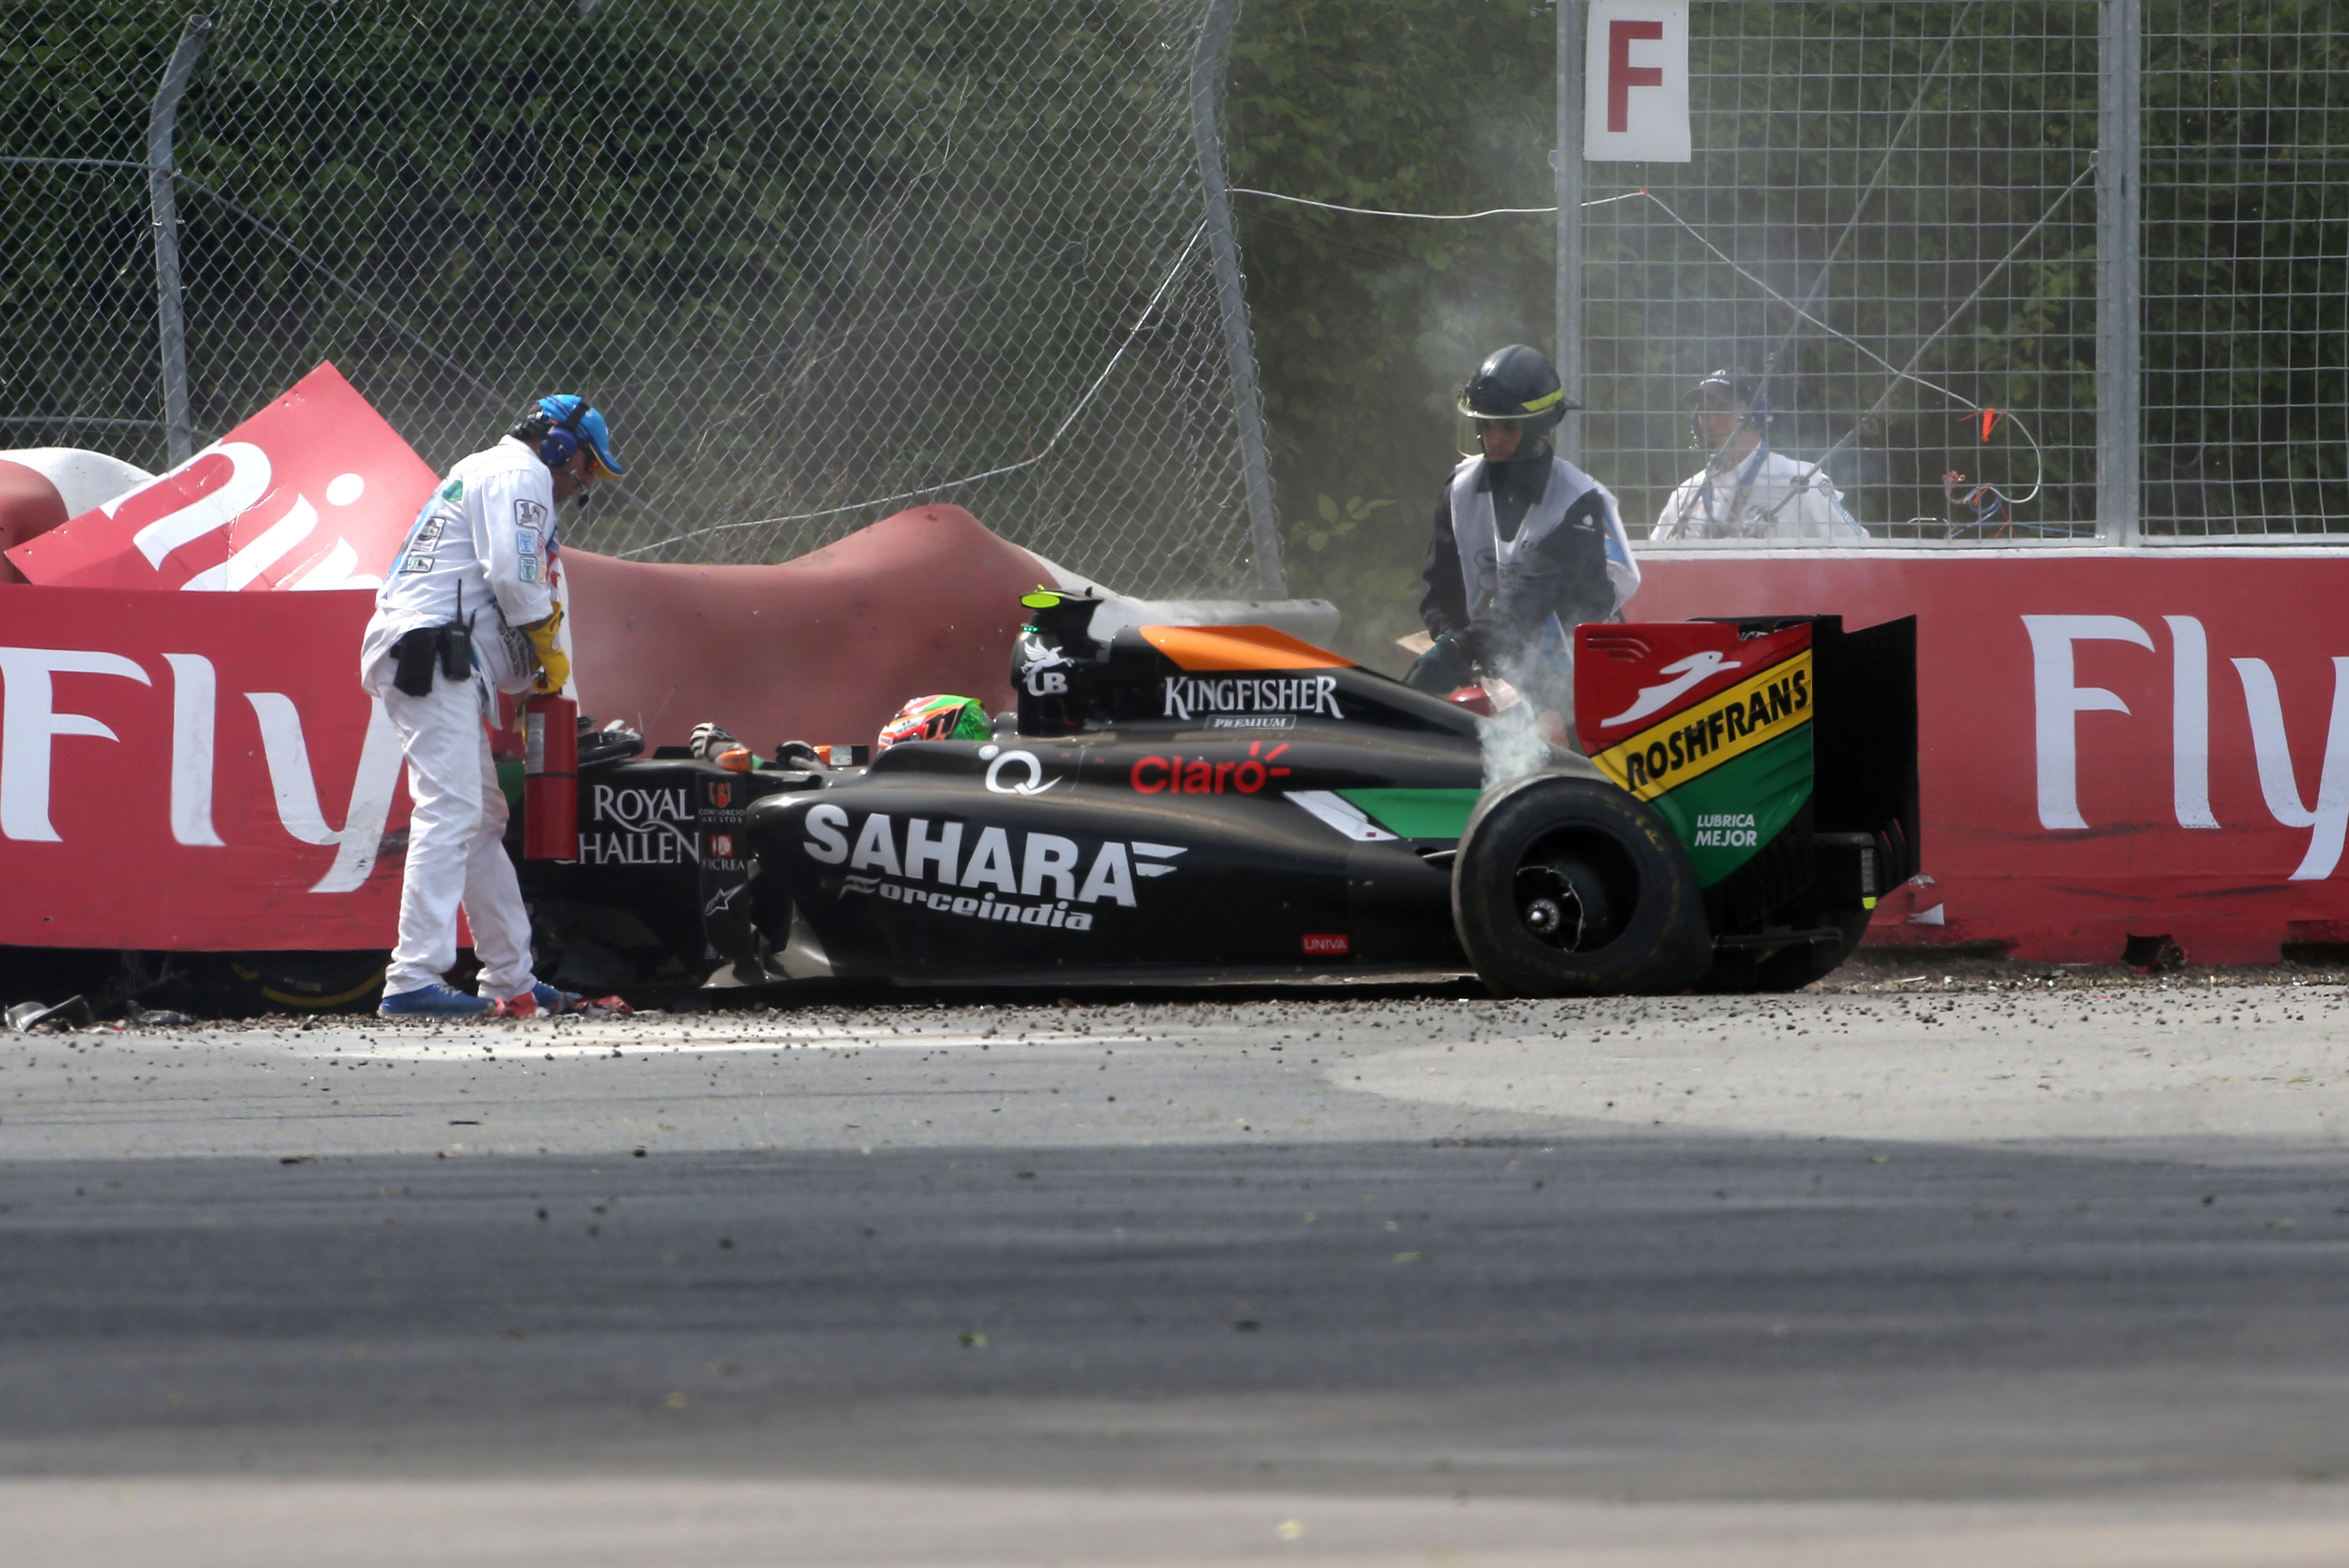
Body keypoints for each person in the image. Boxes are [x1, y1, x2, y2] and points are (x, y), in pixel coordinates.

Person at [360, 395, 626, 1018]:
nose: (580, 484)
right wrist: (544, 647)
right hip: (432, 653)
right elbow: (513, 575)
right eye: (585, 468)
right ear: (559, 446)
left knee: (480, 817)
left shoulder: (488, 472)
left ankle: (513, 979)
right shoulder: (520, 475)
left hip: (437, 655)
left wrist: (537, 670)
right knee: (452, 809)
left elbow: (501, 588)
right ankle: (411, 980)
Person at [1406, 344, 1640, 697]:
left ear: (1537, 429)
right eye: (1486, 426)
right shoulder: (1459, 491)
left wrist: (1459, 650)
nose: (1493, 439)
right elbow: (1442, 590)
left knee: (1552, 743)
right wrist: (1452, 641)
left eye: (1508, 428)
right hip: (1499, 656)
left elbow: (1532, 599)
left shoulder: (1576, 501)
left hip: (1579, 672)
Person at [1649, 367, 1866, 541]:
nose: (1712, 422)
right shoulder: (1687, 493)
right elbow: (1655, 562)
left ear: (1758, 415)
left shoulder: (1803, 482)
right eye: (1704, 412)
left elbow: (1860, 551)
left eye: (1723, 409)